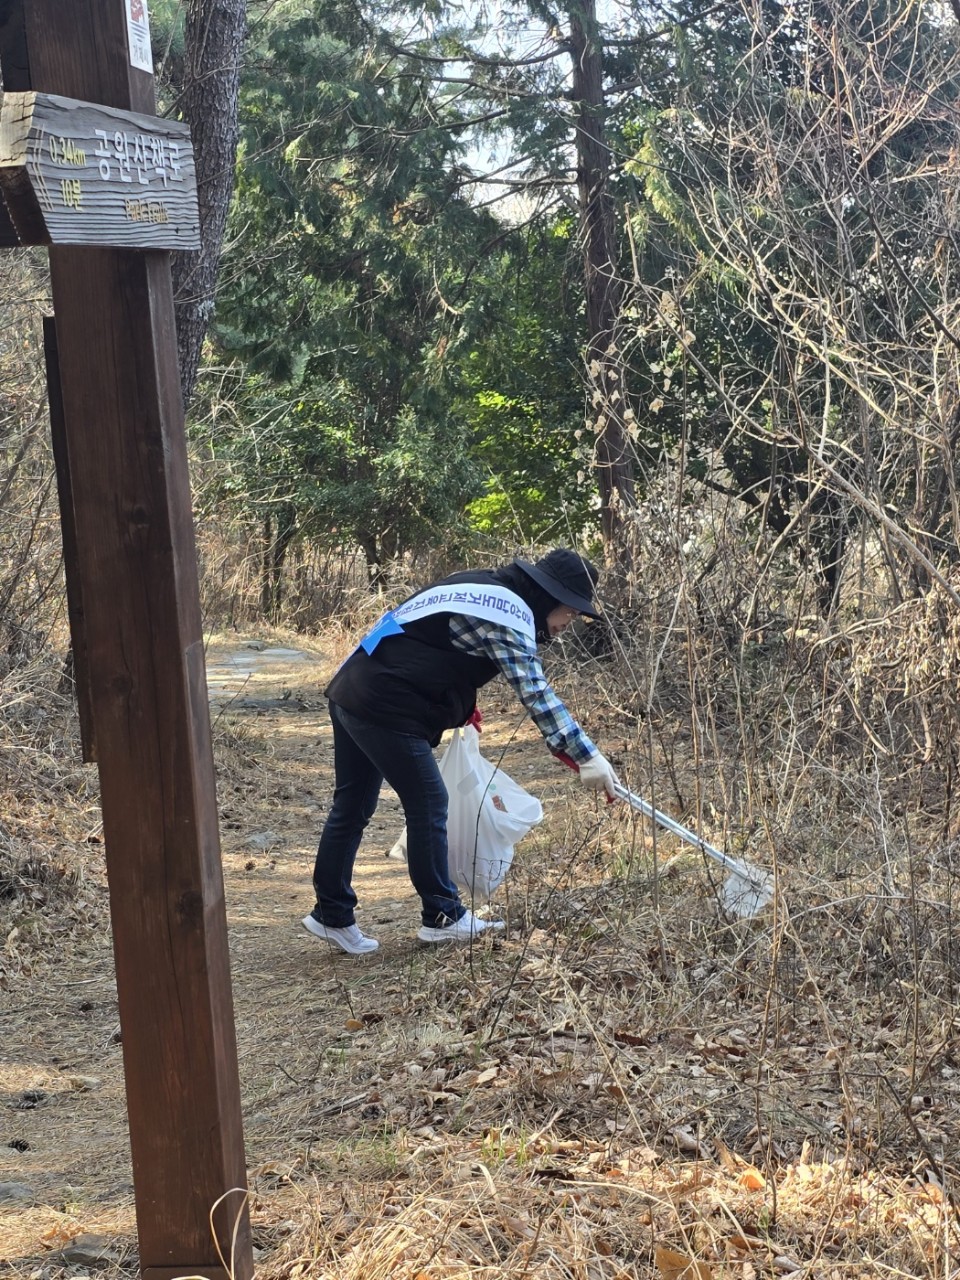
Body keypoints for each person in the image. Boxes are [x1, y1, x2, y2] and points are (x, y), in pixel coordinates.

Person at [303, 548, 620, 953]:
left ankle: (331, 914)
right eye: (570, 612)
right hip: (384, 705)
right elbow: (535, 692)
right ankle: (443, 916)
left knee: (352, 806)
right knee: (430, 802)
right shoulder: (508, 613)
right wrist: (586, 755)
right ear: (548, 597)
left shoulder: (480, 584)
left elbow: (430, 641)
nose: (566, 625)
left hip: (353, 687)